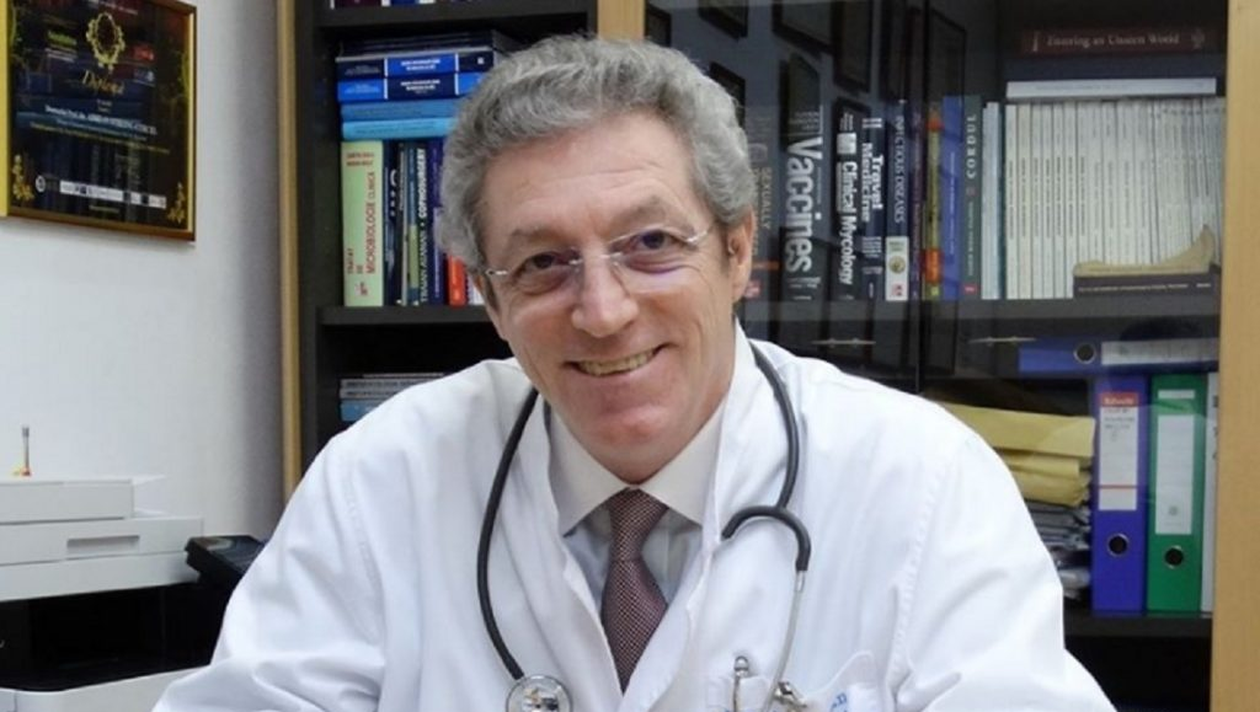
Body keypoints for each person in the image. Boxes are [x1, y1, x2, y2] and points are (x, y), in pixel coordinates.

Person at [155, 35, 1115, 712]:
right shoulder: (384, 476)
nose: (603, 310)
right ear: (491, 302)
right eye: (542, 263)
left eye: (651, 244)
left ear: (737, 253)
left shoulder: (921, 478)